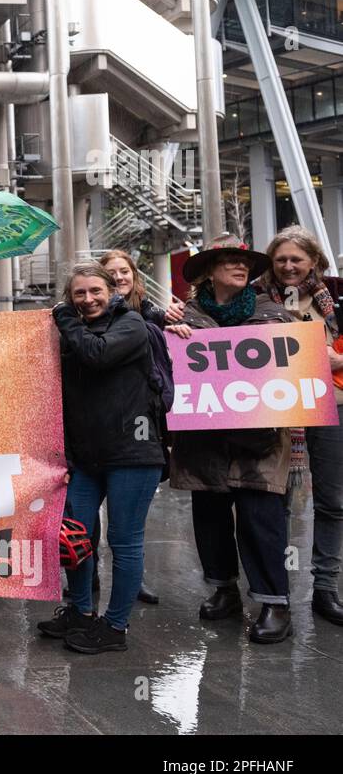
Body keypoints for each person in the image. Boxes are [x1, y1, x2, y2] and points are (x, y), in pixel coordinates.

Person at [169, 234, 296, 644]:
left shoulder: (274, 314)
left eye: (246, 264)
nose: (241, 268)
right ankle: (224, 589)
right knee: (210, 519)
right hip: (204, 443)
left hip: (260, 441)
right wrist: (169, 329)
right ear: (208, 271)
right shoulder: (182, 316)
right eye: (229, 261)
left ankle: (274, 602)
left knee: (262, 518)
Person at [37, 263, 166, 653]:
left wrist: (62, 316)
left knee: (123, 541)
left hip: (132, 453)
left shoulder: (132, 325)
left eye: (96, 290)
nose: (89, 299)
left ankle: (114, 627)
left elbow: (97, 354)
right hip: (86, 458)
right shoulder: (70, 332)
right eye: (79, 294)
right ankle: (80, 611)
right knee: (74, 537)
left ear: (113, 291)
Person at [94, 249, 192, 606]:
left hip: (138, 429)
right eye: (112, 272)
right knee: (87, 514)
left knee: (129, 519)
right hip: (96, 428)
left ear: (134, 276)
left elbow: (166, 331)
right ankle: (86, 580)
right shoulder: (86, 314)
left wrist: (174, 327)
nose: (120, 277)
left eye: (125, 271)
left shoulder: (148, 312)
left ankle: (132, 580)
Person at [257, 225, 343, 627]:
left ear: (314, 262)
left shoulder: (335, 298)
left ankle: (325, 587)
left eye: (297, 259)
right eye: (281, 260)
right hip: (274, 409)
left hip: (332, 405)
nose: (288, 267)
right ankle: (277, 592)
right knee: (275, 500)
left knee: (333, 501)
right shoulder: (253, 298)